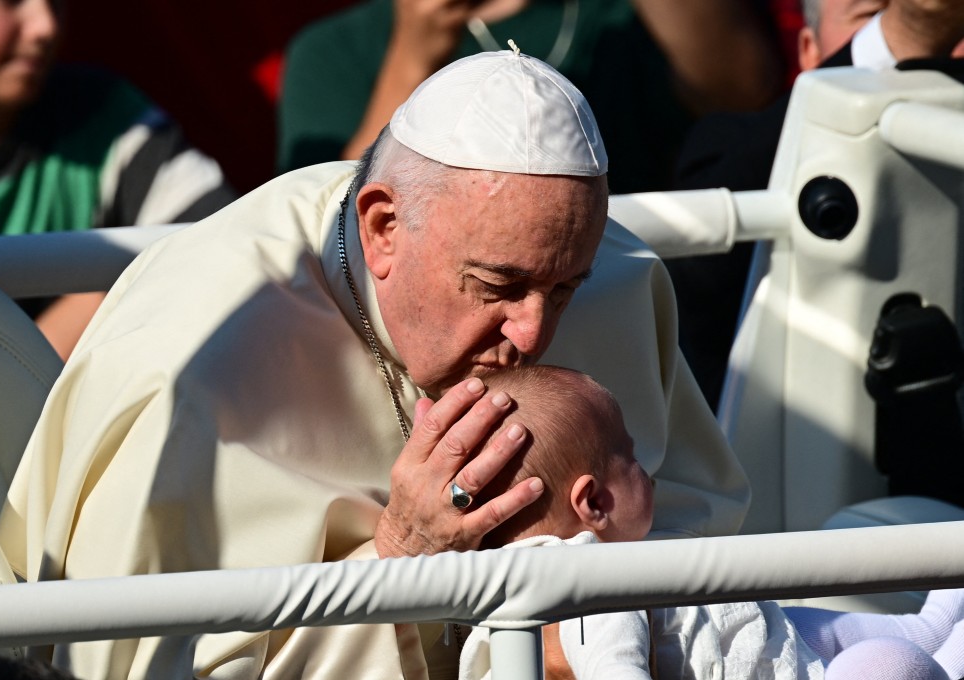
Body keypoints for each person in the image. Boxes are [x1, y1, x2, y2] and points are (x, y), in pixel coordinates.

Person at [0, 49, 750, 678]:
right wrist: (399, 565)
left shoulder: (616, 281)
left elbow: (697, 536)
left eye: (563, 289)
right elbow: (132, 661)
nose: (531, 333)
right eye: (500, 286)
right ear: (383, 227)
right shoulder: (190, 366)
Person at [456, 364, 964, 680]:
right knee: (878, 666)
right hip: (784, 666)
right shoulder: (584, 584)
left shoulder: (516, 584)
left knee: (842, 630)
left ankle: (936, 623)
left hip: (768, 638)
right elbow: (612, 665)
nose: (648, 470)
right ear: (593, 503)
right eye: (630, 457)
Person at [669, 0, 964, 410]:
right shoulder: (730, 147)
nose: (947, 42)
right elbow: (697, 274)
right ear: (808, 50)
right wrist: (902, 38)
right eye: (870, 15)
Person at [0, 0, 237, 360]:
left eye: (57, 1)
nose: (45, 25)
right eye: (12, 1)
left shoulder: (105, 114)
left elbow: (225, 244)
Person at [277, 0, 784, 195]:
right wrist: (413, 53)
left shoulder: (626, 17)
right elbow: (330, 225)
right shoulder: (335, 49)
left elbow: (746, 97)